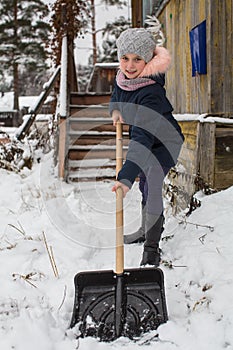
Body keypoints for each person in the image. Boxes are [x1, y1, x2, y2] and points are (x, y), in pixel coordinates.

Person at [110, 26, 184, 267]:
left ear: (148, 60)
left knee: (150, 185)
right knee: (145, 186)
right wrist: (115, 110)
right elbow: (116, 94)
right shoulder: (123, 78)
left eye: (137, 59)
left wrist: (125, 177)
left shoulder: (151, 93)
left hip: (164, 143)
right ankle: (144, 229)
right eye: (125, 58)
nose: (130, 65)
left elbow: (142, 139)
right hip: (144, 136)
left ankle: (151, 248)